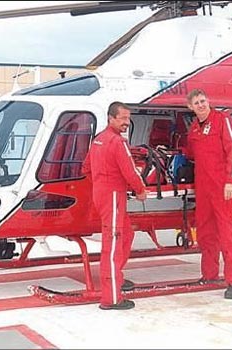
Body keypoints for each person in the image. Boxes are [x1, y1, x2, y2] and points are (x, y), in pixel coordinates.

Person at [82, 101, 147, 310]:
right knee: (112, 246)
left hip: (103, 194)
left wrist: (101, 183)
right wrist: (140, 190)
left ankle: (115, 276)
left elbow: (86, 168)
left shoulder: (98, 140)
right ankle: (111, 298)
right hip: (112, 197)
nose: (126, 122)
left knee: (126, 234)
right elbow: (130, 171)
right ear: (111, 118)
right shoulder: (117, 142)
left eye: (128, 118)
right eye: (123, 119)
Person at [185, 89, 232, 299]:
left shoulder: (222, 120)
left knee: (228, 233)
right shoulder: (193, 129)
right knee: (206, 232)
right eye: (197, 103)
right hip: (204, 189)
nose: (201, 105)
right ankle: (209, 274)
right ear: (190, 107)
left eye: (203, 101)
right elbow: (191, 154)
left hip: (223, 188)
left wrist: (231, 180)